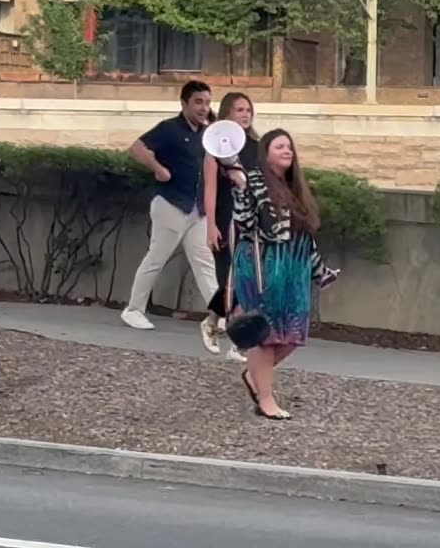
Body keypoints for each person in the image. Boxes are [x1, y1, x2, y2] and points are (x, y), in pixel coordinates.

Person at [225, 128, 335, 420]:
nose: (287, 151)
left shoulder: (296, 186)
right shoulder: (254, 181)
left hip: (293, 269)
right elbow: (246, 224)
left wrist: (319, 271)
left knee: (292, 334)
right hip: (263, 265)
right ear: (266, 152)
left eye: (289, 146)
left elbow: (305, 235)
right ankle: (265, 398)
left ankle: (255, 376)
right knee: (266, 334)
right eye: (279, 146)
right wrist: (240, 188)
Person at [119, 80, 220, 331]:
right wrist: (159, 169)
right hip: (171, 204)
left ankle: (220, 315)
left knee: (204, 262)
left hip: (197, 210)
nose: (203, 107)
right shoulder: (169, 129)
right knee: (157, 257)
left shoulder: (207, 134)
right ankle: (133, 309)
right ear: (184, 103)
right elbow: (137, 147)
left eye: (207, 102)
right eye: (198, 102)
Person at [198, 92, 261, 360]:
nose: (245, 114)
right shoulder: (216, 148)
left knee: (247, 281)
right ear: (227, 114)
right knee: (230, 279)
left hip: (250, 222)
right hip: (225, 220)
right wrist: (211, 224)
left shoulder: (258, 146)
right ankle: (220, 327)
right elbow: (210, 190)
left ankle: (227, 333)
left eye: (248, 109)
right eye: (239, 109)